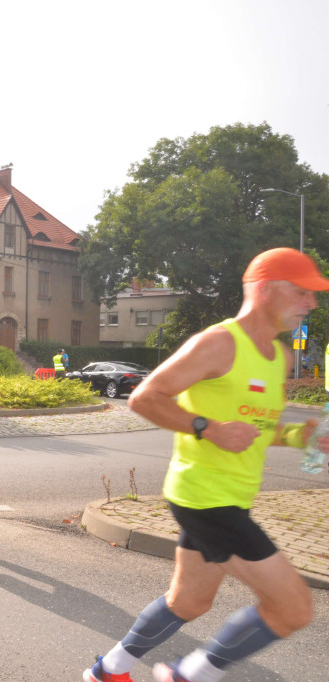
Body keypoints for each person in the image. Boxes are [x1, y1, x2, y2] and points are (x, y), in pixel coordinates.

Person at [83, 247, 327, 682]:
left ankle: (108, 670)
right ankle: (190, 675)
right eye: (303, 292)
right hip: (205, 498)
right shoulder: (218, 343)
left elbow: (255, 428)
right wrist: (206, 427)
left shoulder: (280, 358)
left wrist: (297, 436)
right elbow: (145, 397)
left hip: (231, 497)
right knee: (292, 608)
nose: (312, 303)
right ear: (268, 289)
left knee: (189, 602)